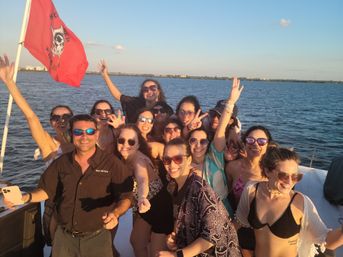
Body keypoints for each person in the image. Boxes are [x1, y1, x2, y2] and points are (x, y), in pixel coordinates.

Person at [4, 114, 134, 257]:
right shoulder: (61, 163)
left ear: (97, 134)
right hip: (64, 237)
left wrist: (115, 213)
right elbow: (46, 190)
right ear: (71, 135)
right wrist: (24, 197)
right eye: (78, 132)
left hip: (98, 237)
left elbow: (126, 196)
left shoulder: (112, 163)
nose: (84, 136)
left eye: (90, 132)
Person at [0, 54, 74, 247]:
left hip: (81, 201)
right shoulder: (48, 144)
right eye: (56, 118)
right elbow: (31, 116)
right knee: (58, 246)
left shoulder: (84, 143)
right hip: (56, 201)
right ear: (51, 122)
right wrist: (9, 83)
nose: (62, 120)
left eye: (66, 116)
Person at [235, 147, 343, 257]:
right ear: (267, 171)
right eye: (283, 176)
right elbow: (239, 221)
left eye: (296, 176)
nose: (290, 182)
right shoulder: (252, 190)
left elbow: (327, 241)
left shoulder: (300, 202)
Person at [158, 138, 242, 257]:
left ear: (188, 160)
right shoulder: (173, 187)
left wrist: (176, 255)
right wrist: (174, 241)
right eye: (167, 159)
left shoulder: (199, 188)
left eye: (178, 159)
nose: (172, 164)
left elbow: (214, 234)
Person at [114, 124, 173, 257]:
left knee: (157, 252)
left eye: (131, 141)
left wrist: (141, 198)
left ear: (138, 144)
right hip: (146, 206)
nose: (125, 145)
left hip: (158, 205)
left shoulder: (138, 160)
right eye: (121, 140)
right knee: (136, 242)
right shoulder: (123, 159)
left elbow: (142, 180)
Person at [188, 77, 243, 215]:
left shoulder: (215, 157)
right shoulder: (183, 163)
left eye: (203, 141)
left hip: (222, 213)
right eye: (193, 141)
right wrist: (188, 128)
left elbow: (220, 131)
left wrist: (231, 102)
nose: (198, 145)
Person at [226, 125, 273, 257]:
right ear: (245, 142)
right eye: (251, 140)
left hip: (263, 230)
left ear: (268, 145)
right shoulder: (232, 167)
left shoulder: (272, 173)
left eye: (261, 141)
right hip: (238, 226)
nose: (256, 144)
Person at [99, 60, 166, 123]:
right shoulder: (134, 103)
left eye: (153, 88)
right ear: (142, 93)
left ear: (158, 91)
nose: (149, 91)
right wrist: (105, 76)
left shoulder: (165, 109)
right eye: (145, 89)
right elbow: (118, 96)